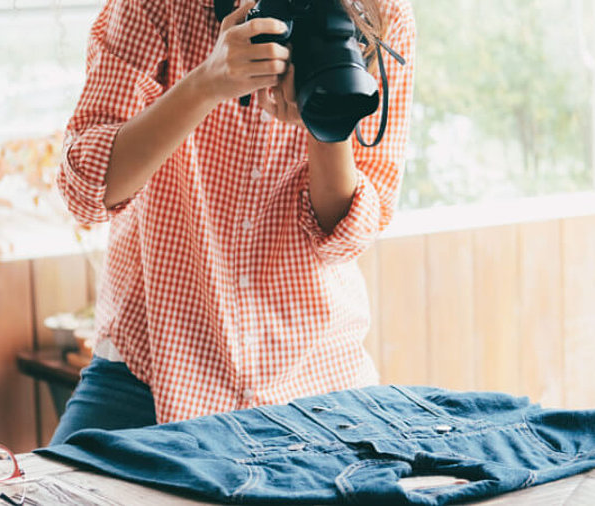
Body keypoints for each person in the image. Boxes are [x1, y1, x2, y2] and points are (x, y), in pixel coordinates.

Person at [50, 0, 416, 445]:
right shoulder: (158, 7)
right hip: (151, 369)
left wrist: (323, 122)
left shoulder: (380, 13)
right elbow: (86, 192)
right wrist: (206, 83)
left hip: (314, 378)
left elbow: (344, 239)